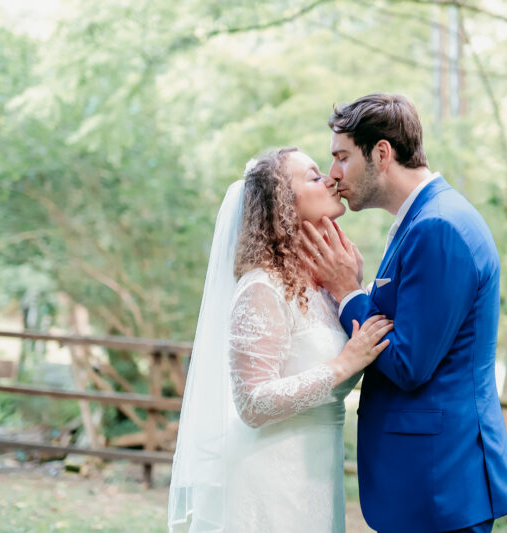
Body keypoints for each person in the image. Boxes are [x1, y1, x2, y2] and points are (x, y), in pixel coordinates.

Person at [302, 93, 507, 533]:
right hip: (433, 481)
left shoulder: (437, 227)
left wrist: (348, 293)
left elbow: (408, 363)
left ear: (381, 153)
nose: (333, 174)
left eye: (341, 157)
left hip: (440, 483)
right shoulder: (425, 218)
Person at [168, 147, 393, 533]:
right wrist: (342, 365)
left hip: (318, 476)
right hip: (266, 478)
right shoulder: (262, 287)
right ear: (283, 203)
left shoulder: (326, 289)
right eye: (312, 176)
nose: (329, 180)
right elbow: (252, 404)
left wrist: (352, 287)